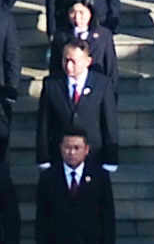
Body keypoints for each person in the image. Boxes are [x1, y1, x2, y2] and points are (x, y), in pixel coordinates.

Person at [40, 38, 121, 172]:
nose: (69, 66)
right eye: (66, 60)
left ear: (87, 61)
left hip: (93, 155)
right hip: (60, 156)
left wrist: (110, 158)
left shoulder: (102, 84)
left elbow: (109, 123)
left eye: (74, 61)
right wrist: (43, 157)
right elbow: (44, 124)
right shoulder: (51, 84)